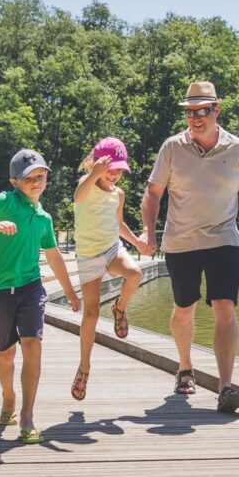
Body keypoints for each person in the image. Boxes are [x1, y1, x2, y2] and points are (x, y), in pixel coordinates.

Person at [138, 81, 239, 414]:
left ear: (216, 110)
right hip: (180, 241)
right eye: (189, 112)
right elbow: (153, 193)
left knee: (225, 307)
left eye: (202, 111)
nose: (195, 118)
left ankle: (225, 387)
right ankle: (184, 368)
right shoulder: (171, 147)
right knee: (185, 307)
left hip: (223, 239)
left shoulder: (237, 149)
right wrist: (150, 232)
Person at [0, 148, 80, 444]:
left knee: (33, 345)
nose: (37, 182)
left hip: (30, 288)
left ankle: (27, 417)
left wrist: (70, 292)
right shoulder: (5, 201)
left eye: (41, 176)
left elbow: (53, 256)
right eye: (30, 178)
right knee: (5, 352)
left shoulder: (44, 218)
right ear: (15, 182)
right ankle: (8, 397)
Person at [70, 136, 147, 401]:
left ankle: (119, 308)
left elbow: (118, 223)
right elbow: (78, 197)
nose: (115, 175)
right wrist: (94, 174)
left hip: (111, 249)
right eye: (111, 168)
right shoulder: (87, 184)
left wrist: (136, 241)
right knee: (90, 315)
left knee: (135, 274)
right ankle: (84, 367)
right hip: (89, 256)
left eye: (119, 171)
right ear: (99, 164)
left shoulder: (119, 194)